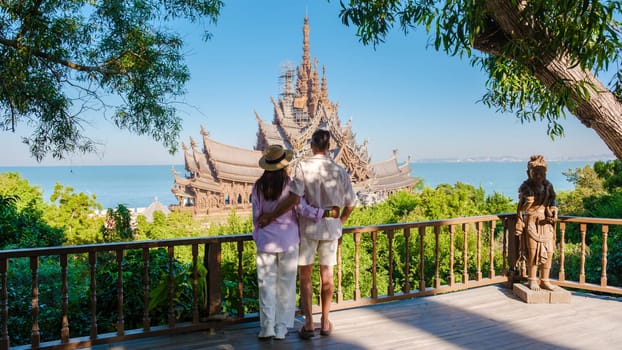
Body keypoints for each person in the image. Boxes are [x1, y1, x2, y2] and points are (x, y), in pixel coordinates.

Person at [259, 129, 356, 339]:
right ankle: (325, 321)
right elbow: (351, 204)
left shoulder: (303, 167)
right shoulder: (340, 171)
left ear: (312, 145)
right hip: (331, 229)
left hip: (308, 229)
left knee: (306, 277)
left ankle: (310, 324)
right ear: (328, 146)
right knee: (327, 276)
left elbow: (294, 199)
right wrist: (339, 223)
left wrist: (271, 216)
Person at [515, 155, 558, 291]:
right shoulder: (525, 186)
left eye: (542, 173)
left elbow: (552, 200)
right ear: (529, 173)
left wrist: (553, 210)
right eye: (536, 173)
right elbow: (520, 209)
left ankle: (545, 279)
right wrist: (527, 204)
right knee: (533, 253)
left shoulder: (548, 185)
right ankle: (532, 279)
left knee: (549, 251)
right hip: (532, 221)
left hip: (546, 221)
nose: (539, 176)